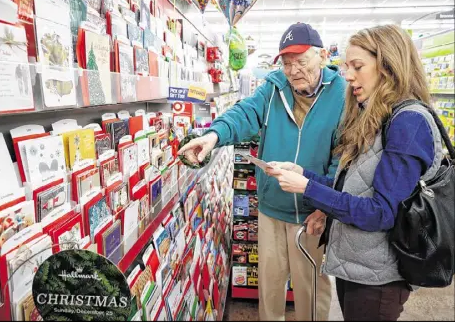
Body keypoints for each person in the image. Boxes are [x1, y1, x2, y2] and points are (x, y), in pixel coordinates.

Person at [266, 24, 444, 321]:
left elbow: (379, 213)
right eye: (347, 66)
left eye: (357, 66)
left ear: (389, 65)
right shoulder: (374, 116)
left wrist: (307, 189)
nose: (347, 76)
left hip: (379, 279)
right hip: (357, 266)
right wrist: (304, 175)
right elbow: (353, 189)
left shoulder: (407, 122)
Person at [178, 23, 346, 321]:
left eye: (301, 61)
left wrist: (325, 205)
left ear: (321, 55)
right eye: (287, 63)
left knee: (310, 290)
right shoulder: (273, 87)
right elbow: (244, 113)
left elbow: (343, 156)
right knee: (269, 287)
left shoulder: (343, 95)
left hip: (311, 213)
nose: (293, 71)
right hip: (270, 208)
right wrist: (213, 136)